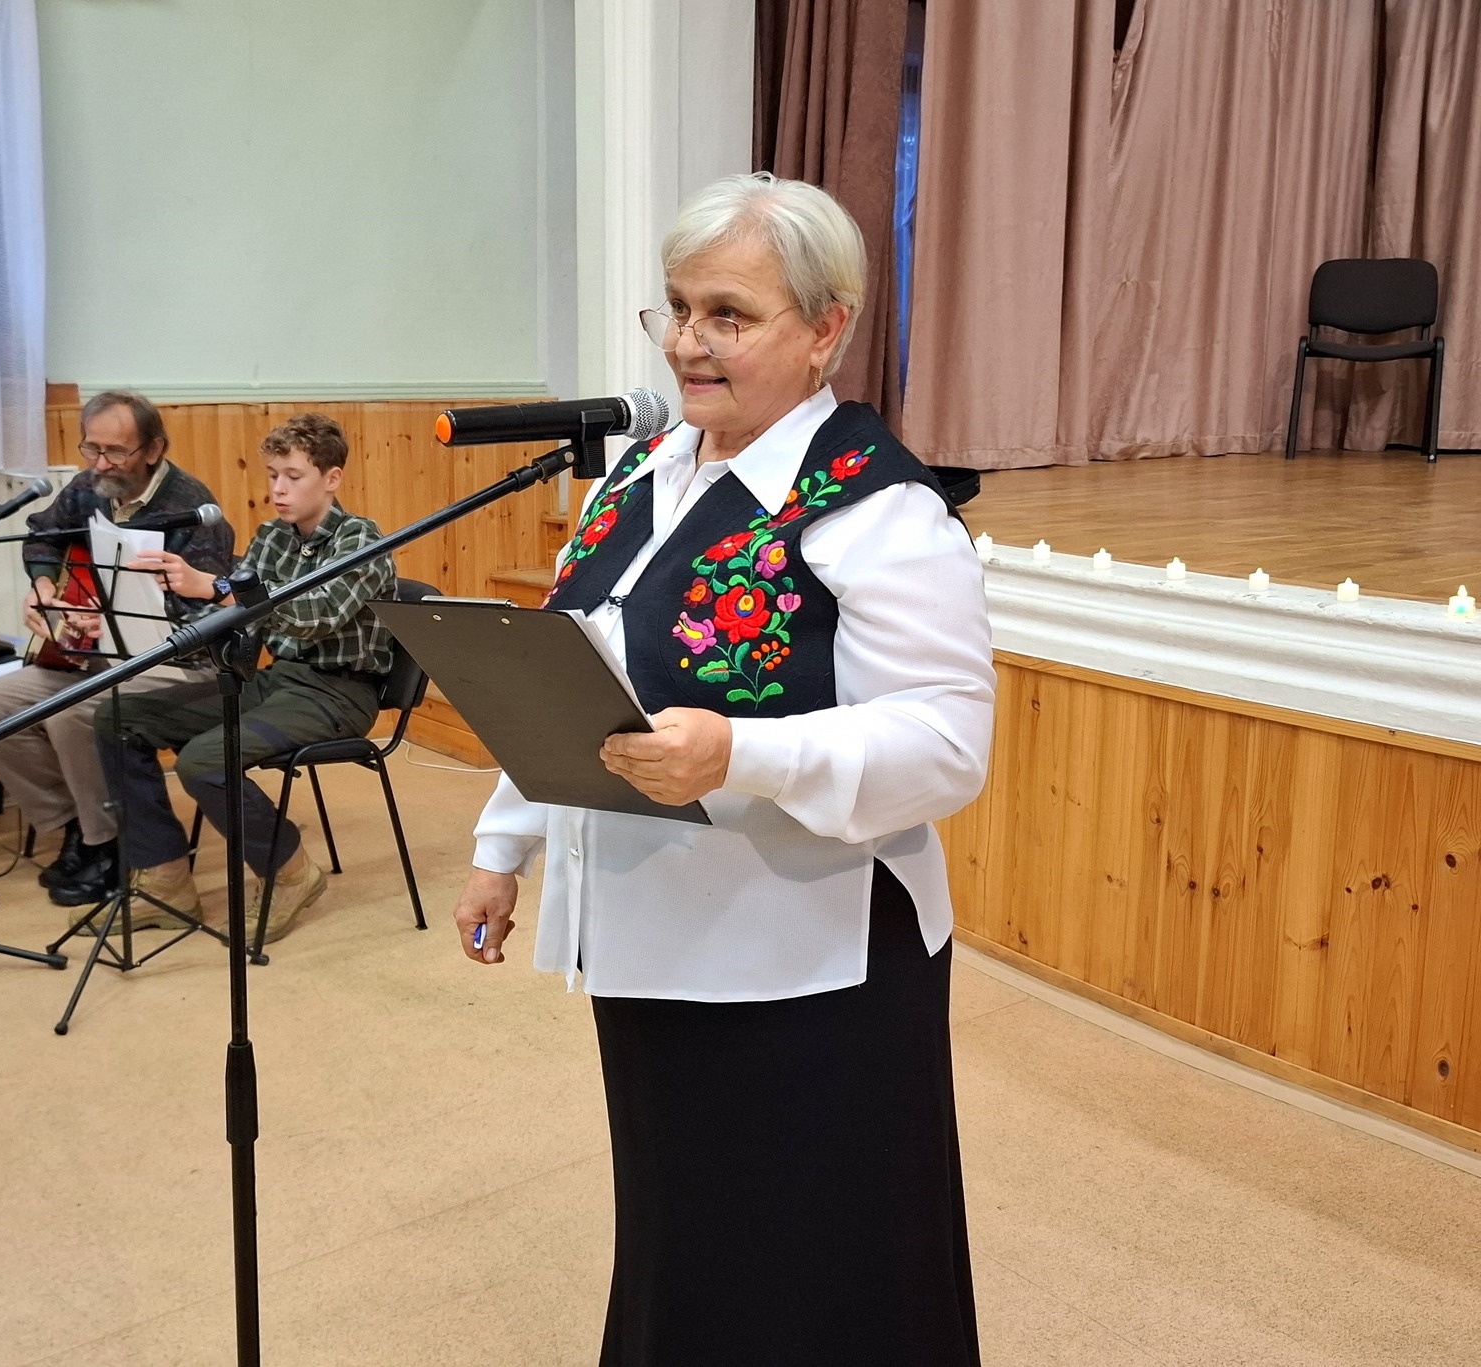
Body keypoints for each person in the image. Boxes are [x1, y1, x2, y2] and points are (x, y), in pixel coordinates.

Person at [455, 172, 996, 1365]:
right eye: (678, 307)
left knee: (810, 1263)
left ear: (825, 329)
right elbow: (572, 672)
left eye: (728, 315)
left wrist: (743, 749)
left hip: (810, 961)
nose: (687, 343)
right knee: (686, 1238)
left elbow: (946, 743)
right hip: (650, 934)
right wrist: (505, 844)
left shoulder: (878, 509)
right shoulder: (639, 477)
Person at [99, 412, 397, 942]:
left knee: (204, 760)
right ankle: (166, 877)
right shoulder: (271, 537)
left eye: (293, 476)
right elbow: (240, 621)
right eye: (273, 475)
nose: (278, 489)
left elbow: (314, 616)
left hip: (339, 693)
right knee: (117, 717)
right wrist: (157, 625)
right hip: (279, 681)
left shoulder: (361, 540)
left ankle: (291, 871)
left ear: (332, 478)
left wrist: (217, 587)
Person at [0, 389, 233, 913]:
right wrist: (44, 589)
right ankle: (75, 829)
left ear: (153, 450)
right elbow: (43, 535)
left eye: (116, 452)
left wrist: (114, 618)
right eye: (92, 448)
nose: (101, 463)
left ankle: (111, 844)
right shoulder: (89, 487)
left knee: (75, 714)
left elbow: (207, 615)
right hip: (95, 654)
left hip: (178, 665)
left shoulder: (191, 509)